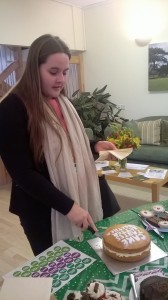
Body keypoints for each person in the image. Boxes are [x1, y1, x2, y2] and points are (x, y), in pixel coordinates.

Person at [0, 34, 119, 256]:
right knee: (58, 267)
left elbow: (67, 142)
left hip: (74, 196)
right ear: (34, 69)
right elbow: (22, 173)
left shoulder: (61, 101)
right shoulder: (11, 108)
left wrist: (94, 146)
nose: (61, 79)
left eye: (64, 72)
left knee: (87, 258)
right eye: (53, 72)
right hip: (41, 209)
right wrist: (68, 207)